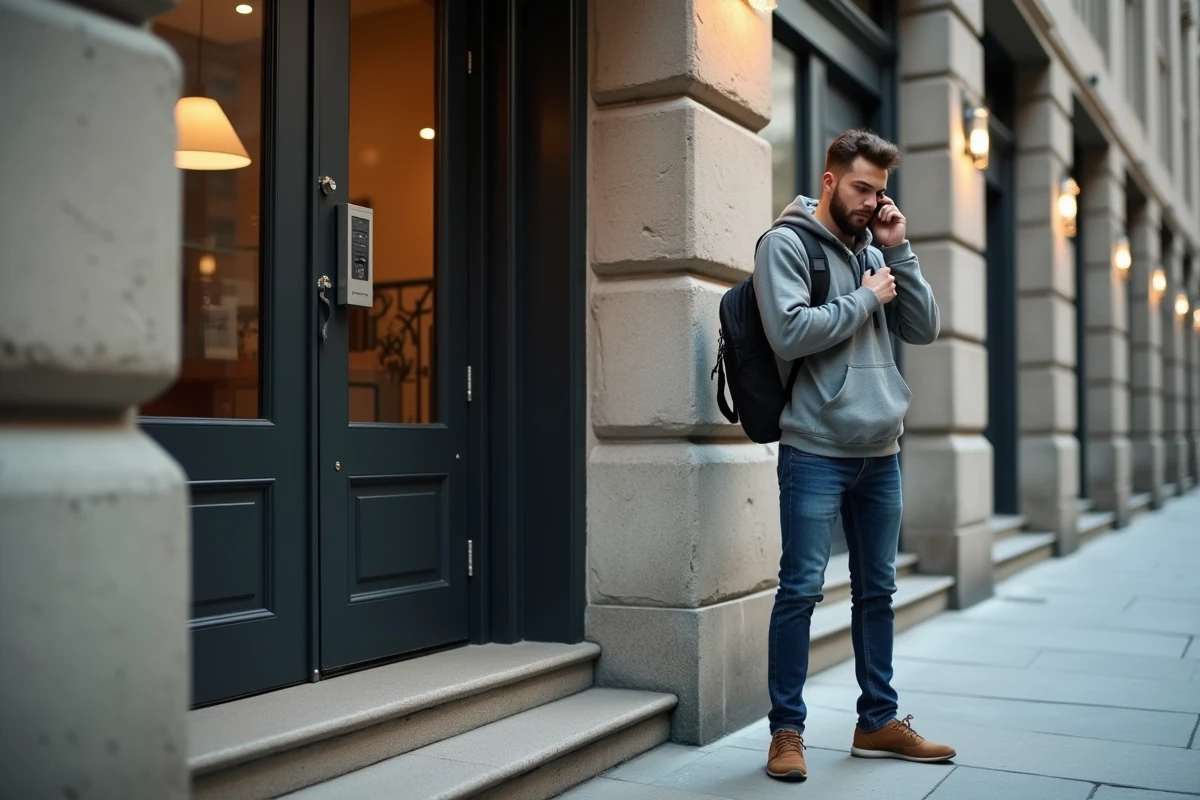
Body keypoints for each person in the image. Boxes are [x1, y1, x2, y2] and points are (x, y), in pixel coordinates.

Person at [752, 129, 955, 781]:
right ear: (832, 181)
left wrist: (902, 254)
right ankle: (786, 732)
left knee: (878, 592)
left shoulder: (877, 246)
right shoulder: (785, 245)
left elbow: (923, 327)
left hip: (880, 451)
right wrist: (867, 296)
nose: (873, 203)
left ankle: (878, 722)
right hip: (815, 449)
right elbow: (787, 333)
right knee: (801, 590)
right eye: (864, 189)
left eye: (881, 192)